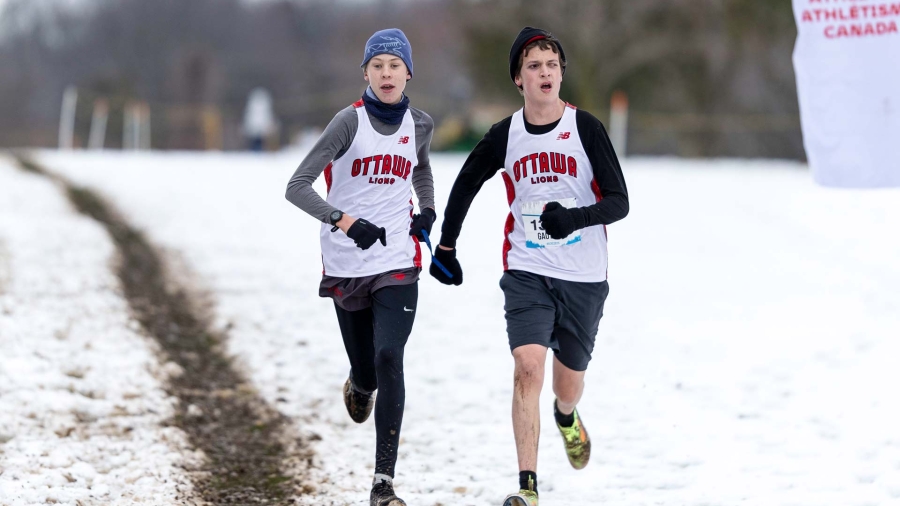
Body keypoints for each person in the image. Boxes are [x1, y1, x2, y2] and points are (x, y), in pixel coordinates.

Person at [429, 27, 629, 506]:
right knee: (527, 366)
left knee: (566, 384)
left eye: (552, 65)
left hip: (583, 275)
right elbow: (465, 184)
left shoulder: (586, 129)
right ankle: (527, 486)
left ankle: (566, 417)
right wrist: (448, 246)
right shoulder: (505, 134)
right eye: (534, 66)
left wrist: (575, 218)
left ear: (562, 74)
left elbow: (620, 202)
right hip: (526, 268)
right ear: (519, 79)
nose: (545, 73)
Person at [285, 28, 435, 506]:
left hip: (397, 260)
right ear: (366, 73)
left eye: (395, 65)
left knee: (390, 355)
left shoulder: (421, 124)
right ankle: (359, 384)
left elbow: (422, 168)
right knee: (367, 369)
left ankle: (383, 483)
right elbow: (298, 185)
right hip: (348, 259)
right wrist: (344, 220)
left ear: (408, 72)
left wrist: (427, 209)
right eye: (378, 66)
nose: (387, 74)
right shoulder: (347, 123)